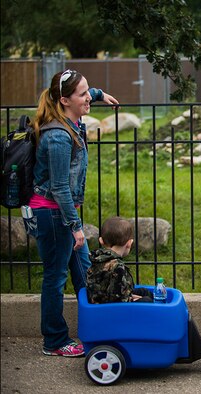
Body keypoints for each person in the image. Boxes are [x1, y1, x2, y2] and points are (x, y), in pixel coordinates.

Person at [28, 69, 119, 357]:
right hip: (54, 215)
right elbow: (59, 187)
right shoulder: (58, 136)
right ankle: (54, 341)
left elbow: (86, 93)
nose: (87, 96)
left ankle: (98, 329)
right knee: (55, 278)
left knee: (85, 273)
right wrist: (75, 226)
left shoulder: (71, 116)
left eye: (87, 91)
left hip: (64, 215)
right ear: (65, 100)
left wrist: (99, 94)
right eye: (83, 94)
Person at [86, 216, 153, 304]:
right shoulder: (118, 268)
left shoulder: (97, 258)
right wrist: (131, 299)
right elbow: (117, 300)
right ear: (129, 244)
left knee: (144, 292)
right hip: (110, 308)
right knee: (147, 300)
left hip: (99, 298)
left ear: (101, 241)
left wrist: (130, 295)